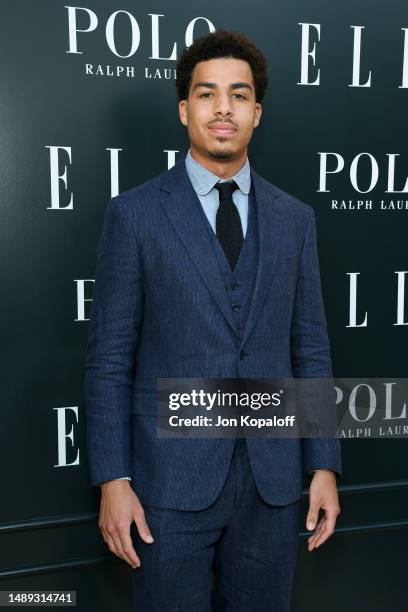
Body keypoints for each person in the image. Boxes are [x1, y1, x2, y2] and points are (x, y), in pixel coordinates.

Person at [84, 29, 342, 612]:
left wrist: (323, 465)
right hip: (168, 488)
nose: (223, 108)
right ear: (184, 108)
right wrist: (112, 480)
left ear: (257, 111)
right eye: (207, 94)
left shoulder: (295, 219)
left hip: (274, 486)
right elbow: (109, 360)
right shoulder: (134, 215)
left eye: (238, 94)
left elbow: (311, 349)